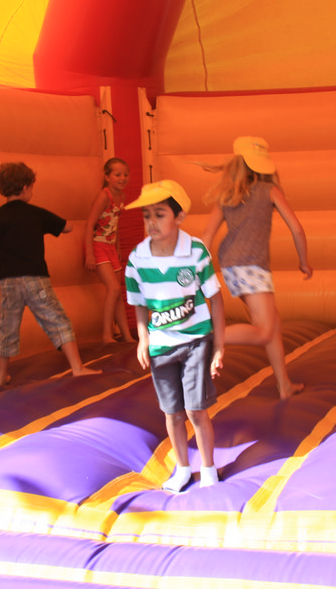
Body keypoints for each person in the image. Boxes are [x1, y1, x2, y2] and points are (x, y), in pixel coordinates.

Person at [124, 180, 225, 491]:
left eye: (160, 214)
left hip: (195, 340)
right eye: (146, 216)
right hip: (161, 345)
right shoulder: (138, 259)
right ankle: (182, 468)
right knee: (172, 411)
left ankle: (208, 468)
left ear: (179, 217)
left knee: (195, 408)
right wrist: (143, 338)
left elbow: (215, 298)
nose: (151, 222)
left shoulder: (195, 252)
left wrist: (219, 346)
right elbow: (139, 303)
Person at [201, 136, 312, 400]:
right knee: (263, 332)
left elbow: (206, 236)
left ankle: (284, 385)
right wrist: (303, 261)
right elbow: (297, 229)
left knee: (273, 324)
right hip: (251, 266)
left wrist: (197, 269)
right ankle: (204, 336)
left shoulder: (227, 196)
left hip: (231, 266)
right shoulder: (270, 191)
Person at [0, 162, 100, 386]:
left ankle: (0, 376)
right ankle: (77, 368)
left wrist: (3, 265)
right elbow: (67, 227)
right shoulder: (36, 214)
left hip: (8, 280)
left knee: (7, 327)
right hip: (35, 279)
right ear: (25, 188)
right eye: (32, 187)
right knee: (57, 319)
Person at [84, 157, 136, 344]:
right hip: (98, 246)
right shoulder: (104, 196)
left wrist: (118, 247)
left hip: (110, 247)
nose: (123, 178)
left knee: (118, 293)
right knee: (113, 288)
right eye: (117, 175)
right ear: (107, 177)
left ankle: (126, 335)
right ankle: (107, 334)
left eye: (125, 175)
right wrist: (89, 253)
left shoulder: (121, 197)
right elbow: (90, 224)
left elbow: (114, 224)